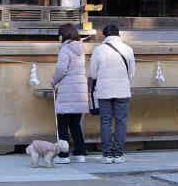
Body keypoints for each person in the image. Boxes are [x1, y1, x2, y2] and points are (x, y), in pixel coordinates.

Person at [89, 22, 136, 163]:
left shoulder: (98, 50)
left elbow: (93, 73)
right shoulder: (128, 49)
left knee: (105, 121)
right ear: (118, 34)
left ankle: (107, 155)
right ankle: (119, 154)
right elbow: (132, 72)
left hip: (104, 90)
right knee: (121, 121)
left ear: (104, 35)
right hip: (122, 90)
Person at [50, 23, 90, 163]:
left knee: (62, 125)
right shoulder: (80, 49)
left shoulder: (65, 49)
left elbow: (61, 69)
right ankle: (80, 153)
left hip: (67, 91)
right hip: (79, 92)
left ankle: (63, 155)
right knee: (75, 125)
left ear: (64, 35)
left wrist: (52, 81)